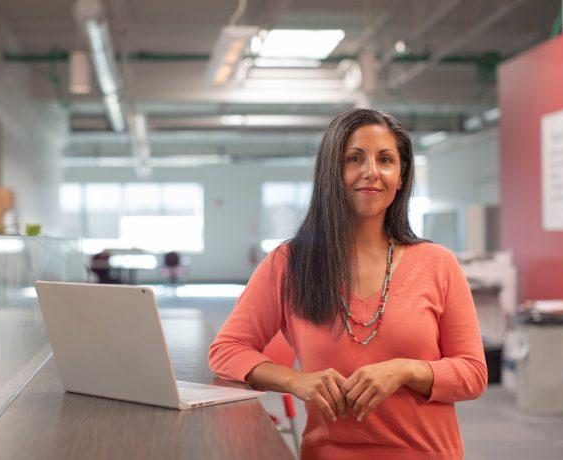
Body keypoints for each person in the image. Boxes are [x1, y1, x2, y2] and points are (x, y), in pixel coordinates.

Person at [208, 108, 487, 459]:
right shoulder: (290, 264)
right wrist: (296, 381)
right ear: (332, 172)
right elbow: (227, 350)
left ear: (401, 177)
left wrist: (406, 369)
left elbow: (473, 373)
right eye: (354, 158)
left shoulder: (438, 264)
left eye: (386, 160)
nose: (371, 171)